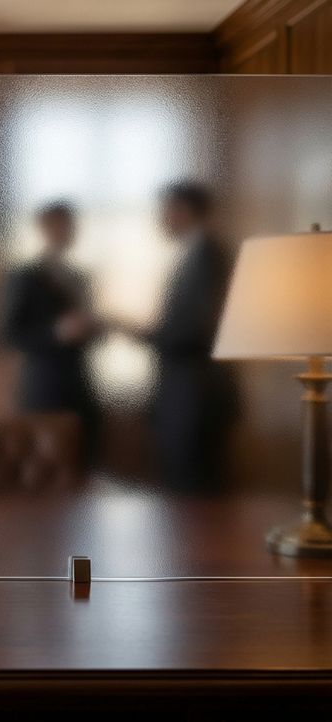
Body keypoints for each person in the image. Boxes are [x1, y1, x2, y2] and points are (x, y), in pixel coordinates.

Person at [146, 181, 237, 492]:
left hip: (195, 394)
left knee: (194, 494)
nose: (161, 219)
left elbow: (197, 329)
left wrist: (141, 333)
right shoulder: (193, 253)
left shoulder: (208, 254)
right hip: (185, 391)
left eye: (164, 210)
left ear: (182, 210)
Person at [2, 201, 99, 454]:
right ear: (44, 229)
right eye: (59, 226)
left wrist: (93, 328)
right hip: (43, 386)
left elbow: (90, 331)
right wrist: (55, 333)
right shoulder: (25, 277)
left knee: (85, 455)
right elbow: (9, 334)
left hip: (80, 383)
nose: (65, 231)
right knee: (46, 458)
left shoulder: (80, 277)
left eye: (69, 226)